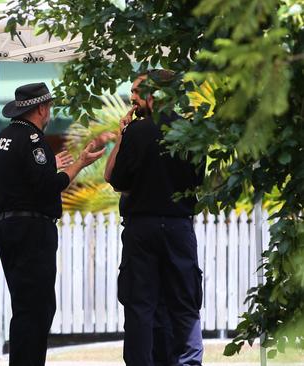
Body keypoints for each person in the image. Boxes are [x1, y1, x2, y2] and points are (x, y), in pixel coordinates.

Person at [0, 82, 106, 366]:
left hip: (6, 229)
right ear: (41, 108)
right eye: (49, 107)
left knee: (23, 305)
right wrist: (79, 164)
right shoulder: (33, 140)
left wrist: (50, 165)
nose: (49, 112)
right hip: (32, 231)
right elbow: (46, 187)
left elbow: (19, 180)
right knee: (37, 309)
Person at [104, 69, 205, 366]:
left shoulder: (137, 131)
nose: (132, 99)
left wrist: (124, 137)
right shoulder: (192, 132)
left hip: (142, 226)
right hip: (178, 225)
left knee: (140, 305)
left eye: (137, 93)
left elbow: (115, 179)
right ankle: (188, 362)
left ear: (154, 96)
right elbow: (197, 179)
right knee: (185, 302)